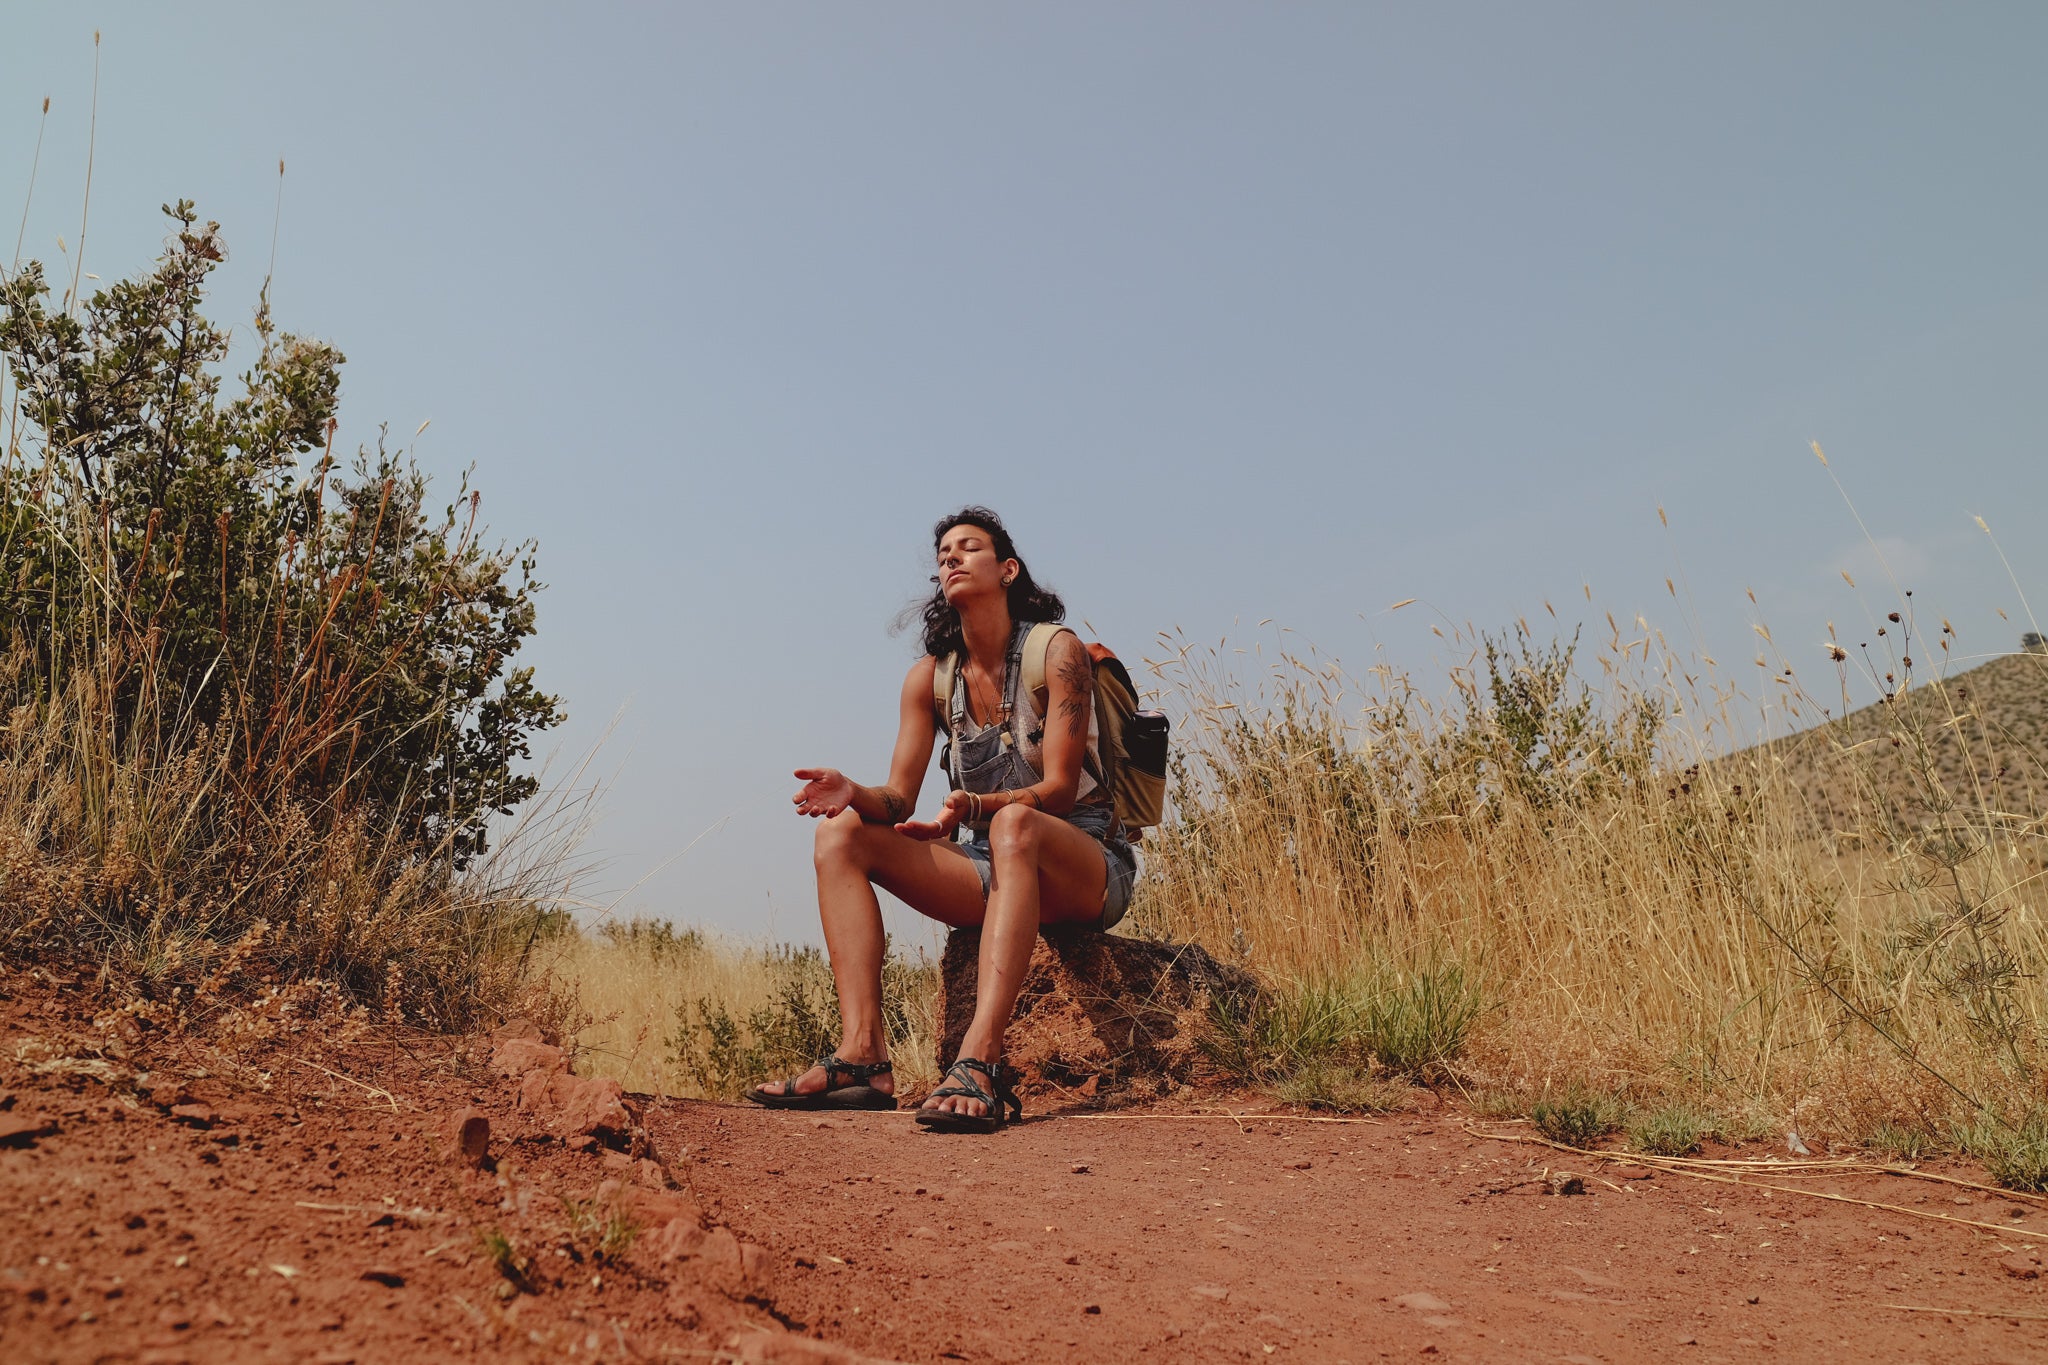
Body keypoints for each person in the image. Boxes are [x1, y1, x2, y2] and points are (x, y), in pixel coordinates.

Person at [747, 507, 1137, 1132]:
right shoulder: (930, 680)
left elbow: (1061, 791)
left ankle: (980, 1061)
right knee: (839, 834)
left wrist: (975, 807)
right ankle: (862, 1057)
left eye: (969, 547)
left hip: (1084, 864)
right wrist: (852, 791)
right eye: (943, 554)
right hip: (992, 868)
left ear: (1008, 570)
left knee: (1013, 827)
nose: (951, 557)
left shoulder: (1056, 652)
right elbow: (898, 800)